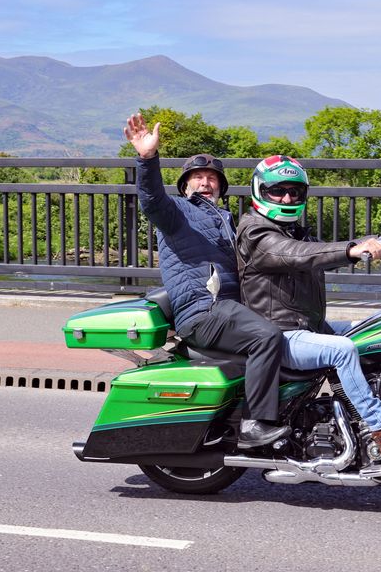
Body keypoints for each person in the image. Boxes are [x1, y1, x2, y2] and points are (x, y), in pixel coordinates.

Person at [236, 155, 381, 465]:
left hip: (306, 326)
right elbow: (299, 255)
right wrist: (353, 250)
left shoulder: (291, 229)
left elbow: (317, 248)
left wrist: (376, 241)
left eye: (295, 191)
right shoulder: (256, 233)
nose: (287, 198)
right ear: (260, 191)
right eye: (278, 190)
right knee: (342, 350)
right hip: (279, 335)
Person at [124, 113, 290, 449]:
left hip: (229, 309)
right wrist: (147, 158)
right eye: (197, 177)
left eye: (212, 177)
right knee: (266, 337)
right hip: (203, 312)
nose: (205, 181)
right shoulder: (176, 214)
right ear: (185, 186)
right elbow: (152, 199)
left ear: (221, 187)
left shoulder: (229, 221)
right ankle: (254, 424)